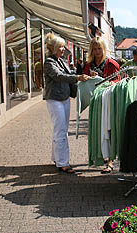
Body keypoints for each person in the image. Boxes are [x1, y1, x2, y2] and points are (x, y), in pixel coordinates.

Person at [44, 33, 91, 173]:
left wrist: (86, 75)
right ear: (53, 48)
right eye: (61, 47)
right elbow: (59, 76)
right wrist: (77, 77)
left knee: (59, 129)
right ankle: (63, 163)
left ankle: (56, 158)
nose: (63, 49)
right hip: (54, 99)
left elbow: (70, 72)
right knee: (61, 130)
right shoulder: (49, 62)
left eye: (64, 47)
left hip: (63, 97)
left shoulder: (61, 60)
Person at [83, 37, 120, 173]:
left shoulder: (111, 63)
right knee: (97, 130)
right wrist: (88, 76)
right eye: (94, 48)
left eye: (99, 48)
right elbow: (84, 80)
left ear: (104, 49)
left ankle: (109, 162)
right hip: (94, 101)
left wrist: (111, 82)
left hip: (108, 100)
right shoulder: (88, 64)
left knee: (107, 129)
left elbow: (119, 80)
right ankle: (99, 156)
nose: (97, 51)